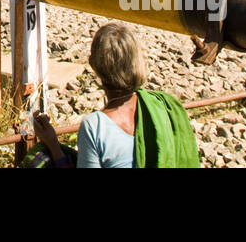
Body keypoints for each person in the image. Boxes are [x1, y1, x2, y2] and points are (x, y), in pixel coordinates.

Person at [74, 22, 200, 168]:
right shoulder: (163, 106)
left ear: (94, 65)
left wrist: (55, 150)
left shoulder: (94, 126)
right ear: (137, 60)